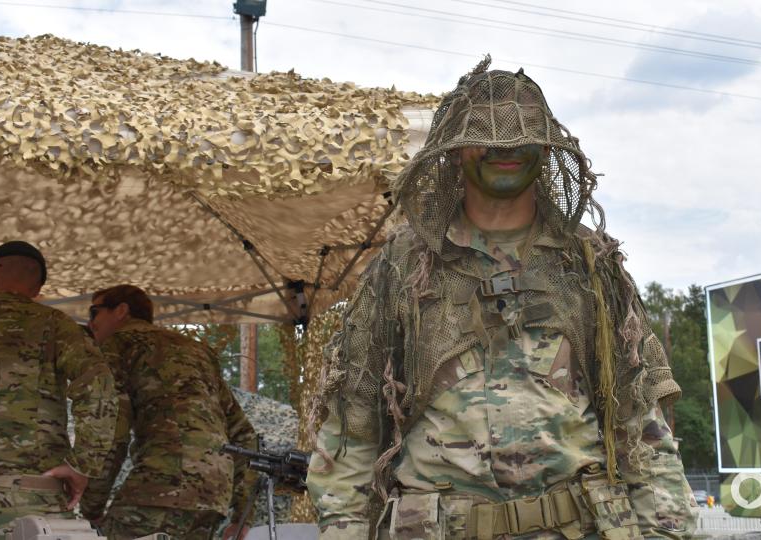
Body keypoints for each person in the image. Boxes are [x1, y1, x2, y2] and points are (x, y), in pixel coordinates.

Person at [306, 59, 698, 539]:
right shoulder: (405, 264)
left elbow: (640, 422)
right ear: (453, 151)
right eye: (485, 135)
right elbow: (354, 422)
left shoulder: (588, 262)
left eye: (521, 135)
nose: (504, 147)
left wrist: (670, 530)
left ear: (544, 148)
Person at [81, 284, 257, 540]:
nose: (91, 323)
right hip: (212, 496)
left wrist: (91, 507)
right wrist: (243, 515)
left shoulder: (118, 344)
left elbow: (111, 429)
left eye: (94, 312)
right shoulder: (196, 352)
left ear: (121, 311)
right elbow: (245, 436)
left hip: (159, 488)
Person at [0, 240, 119, 530]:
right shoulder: (55, 324)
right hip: (31, 496)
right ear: (37, 289)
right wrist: (83, 465)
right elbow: (100, 388)